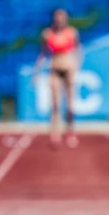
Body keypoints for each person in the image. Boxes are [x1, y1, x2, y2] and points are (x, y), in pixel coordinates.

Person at [34, 9, 81, 148]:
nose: (60, 20)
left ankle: (71, 131)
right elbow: (43, 53)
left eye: (62, 17)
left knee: (70, 105)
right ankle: (55, 133)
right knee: (55, 105)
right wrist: (36, 71)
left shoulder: (72, 32)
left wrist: (76, 65)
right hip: (54, 68)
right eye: (57, 17)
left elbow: (78, 50)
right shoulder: (47, 33)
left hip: (69, 69)